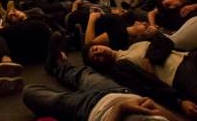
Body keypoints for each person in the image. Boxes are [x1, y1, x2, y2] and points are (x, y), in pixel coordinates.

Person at [23, 33, 182, 121]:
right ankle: (58, 65)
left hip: (92, 109)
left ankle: (59, 65)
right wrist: (160, 108)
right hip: (121, 93)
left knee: (30, 92)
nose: (98, 51)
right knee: (84, 74)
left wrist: (121, 108)